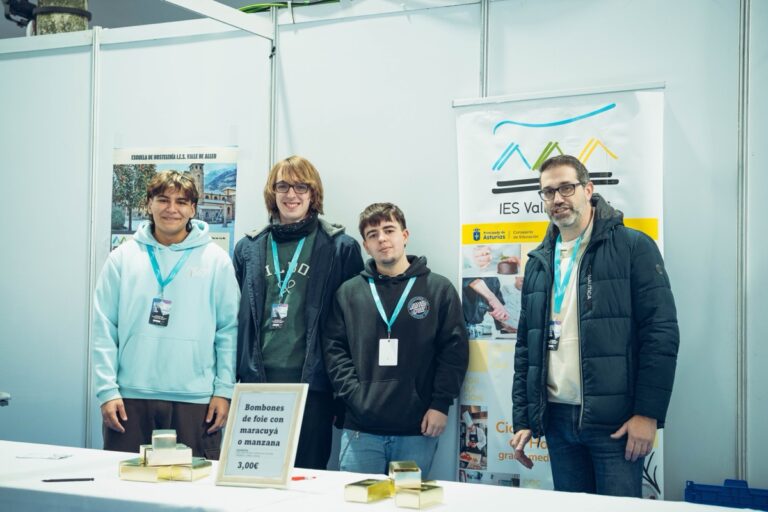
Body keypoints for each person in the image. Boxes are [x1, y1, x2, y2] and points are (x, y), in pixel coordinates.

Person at [511, 155, 679, 496]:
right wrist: (525, 418)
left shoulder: (633, 247)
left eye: (566, 188)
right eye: (548, 192)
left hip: (616, 423)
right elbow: (526, 346)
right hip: (557, 420)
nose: (557, 199)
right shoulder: (538, 262)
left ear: (588, 190)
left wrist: (647, 414)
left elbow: (660, 334)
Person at [93, 170, 239, 459]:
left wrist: (224, 391)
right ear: (149, 204)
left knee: (194, 485)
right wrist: (106, 391)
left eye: (181, 202)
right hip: (130, 398)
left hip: (196, 399)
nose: (172, 209)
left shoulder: (216, 260)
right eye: (163, 200)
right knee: (125, 485)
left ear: (193, 209)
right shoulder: (121, 258)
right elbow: (104, 328)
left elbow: (228, 330)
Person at [233, 155, 363, 470]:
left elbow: (353, 327)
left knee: (308, 479)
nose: (291, 194)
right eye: (283, 186)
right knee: (257, 476)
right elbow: (236, 319)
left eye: (301, 186)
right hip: (257, 386)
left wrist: (345, 395)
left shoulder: (340, 248)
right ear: (272, 193)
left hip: (314, 387)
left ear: (313, 192)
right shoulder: (248, 248)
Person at [323, 202, 469, 476]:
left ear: (405, 235)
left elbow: (454, 352)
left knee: (408, 499)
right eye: (373, 234)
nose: (382, 239)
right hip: (360, 431)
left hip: (417, 429)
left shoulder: (438, 289)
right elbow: (334, 352)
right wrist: (356, 397)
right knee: (357, 499)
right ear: (366, 246)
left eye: (389, 230)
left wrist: (440, 404)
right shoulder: (348, 293)